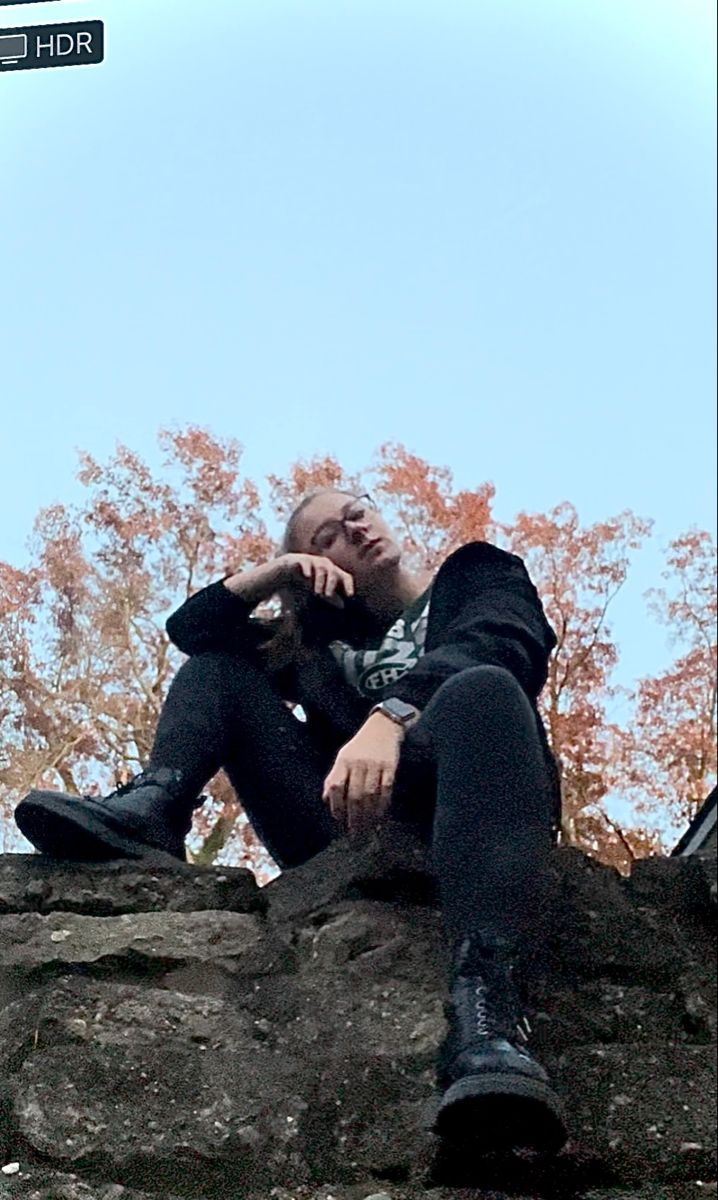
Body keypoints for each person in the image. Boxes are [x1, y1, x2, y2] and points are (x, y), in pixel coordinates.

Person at [14, 489, 568, 1154]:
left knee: (484, 688)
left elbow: (505, 643)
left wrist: (388, 718)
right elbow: (194, 631)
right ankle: (154, 808)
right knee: (217, 671)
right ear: (315, 567)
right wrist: (276, 576)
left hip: (478, 795)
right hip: (350, 822)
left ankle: (488, 1022)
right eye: (326, 535)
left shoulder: (477, 573)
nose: (351, 528)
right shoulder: (315, 644)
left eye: (355, 510)